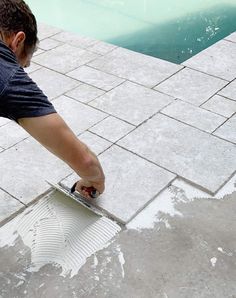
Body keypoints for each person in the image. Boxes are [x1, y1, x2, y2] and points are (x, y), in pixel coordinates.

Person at [0, 0, 105, 199]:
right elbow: (86, 162)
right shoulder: (8, 77)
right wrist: (95, 181)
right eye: (22, 64)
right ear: (18, 41)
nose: (19, 70)